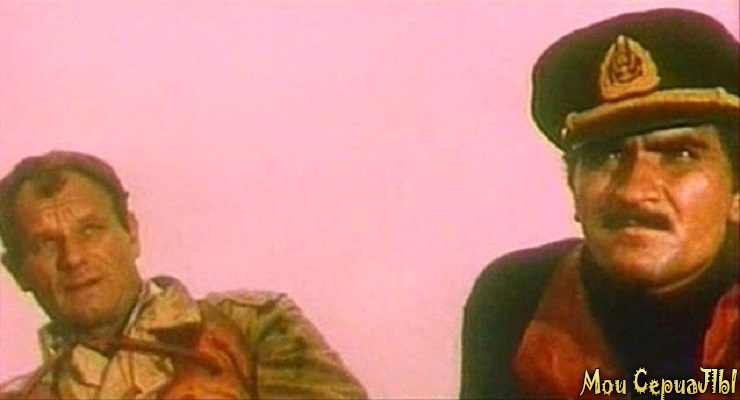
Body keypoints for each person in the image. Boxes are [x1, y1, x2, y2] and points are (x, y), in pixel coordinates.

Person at [461, 8, 738, 399]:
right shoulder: (520, 299)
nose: (633, 190)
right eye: (606, 156)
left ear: (736, 192)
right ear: (573, 188)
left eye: (680, 154)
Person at [0, 151, 368, 399]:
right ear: (18, 273)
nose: (74, 258)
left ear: (132, 234)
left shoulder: (253, 326)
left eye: (91, 231)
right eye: (45, 245)